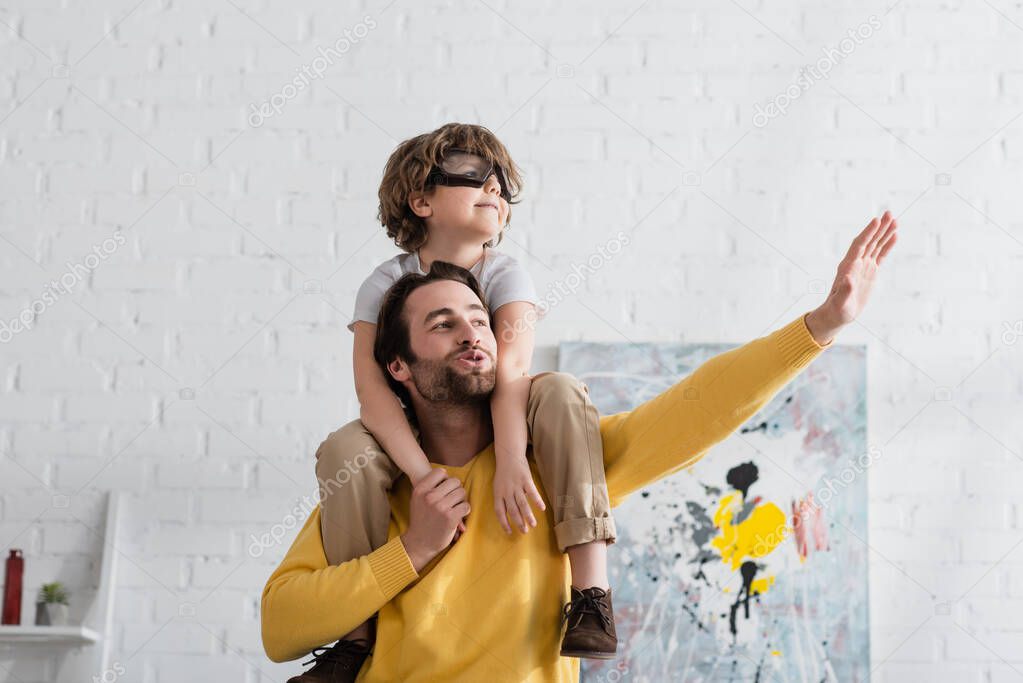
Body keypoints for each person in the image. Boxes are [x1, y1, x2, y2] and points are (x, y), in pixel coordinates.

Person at [261, 208, 899, 683]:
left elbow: (695, 409)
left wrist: (820, 327)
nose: (471, 332)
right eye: (442, 323)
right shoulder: (370, 486)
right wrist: (415, 547)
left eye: (479, 319)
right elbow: (281, 626)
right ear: (398, 366)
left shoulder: (559, 469)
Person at [316, 122, 619, 671]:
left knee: (559, 390)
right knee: (344, 448)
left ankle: (591, 596)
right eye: (473, 176)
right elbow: (373, 391)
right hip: (418, 430)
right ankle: (353, 639)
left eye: (501, 181)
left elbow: (513, 374)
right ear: (420, 200)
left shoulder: (506, 274)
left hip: (498, 419)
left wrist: (508, 457)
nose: (495, 188)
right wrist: (423, 476)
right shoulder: (382, 284)